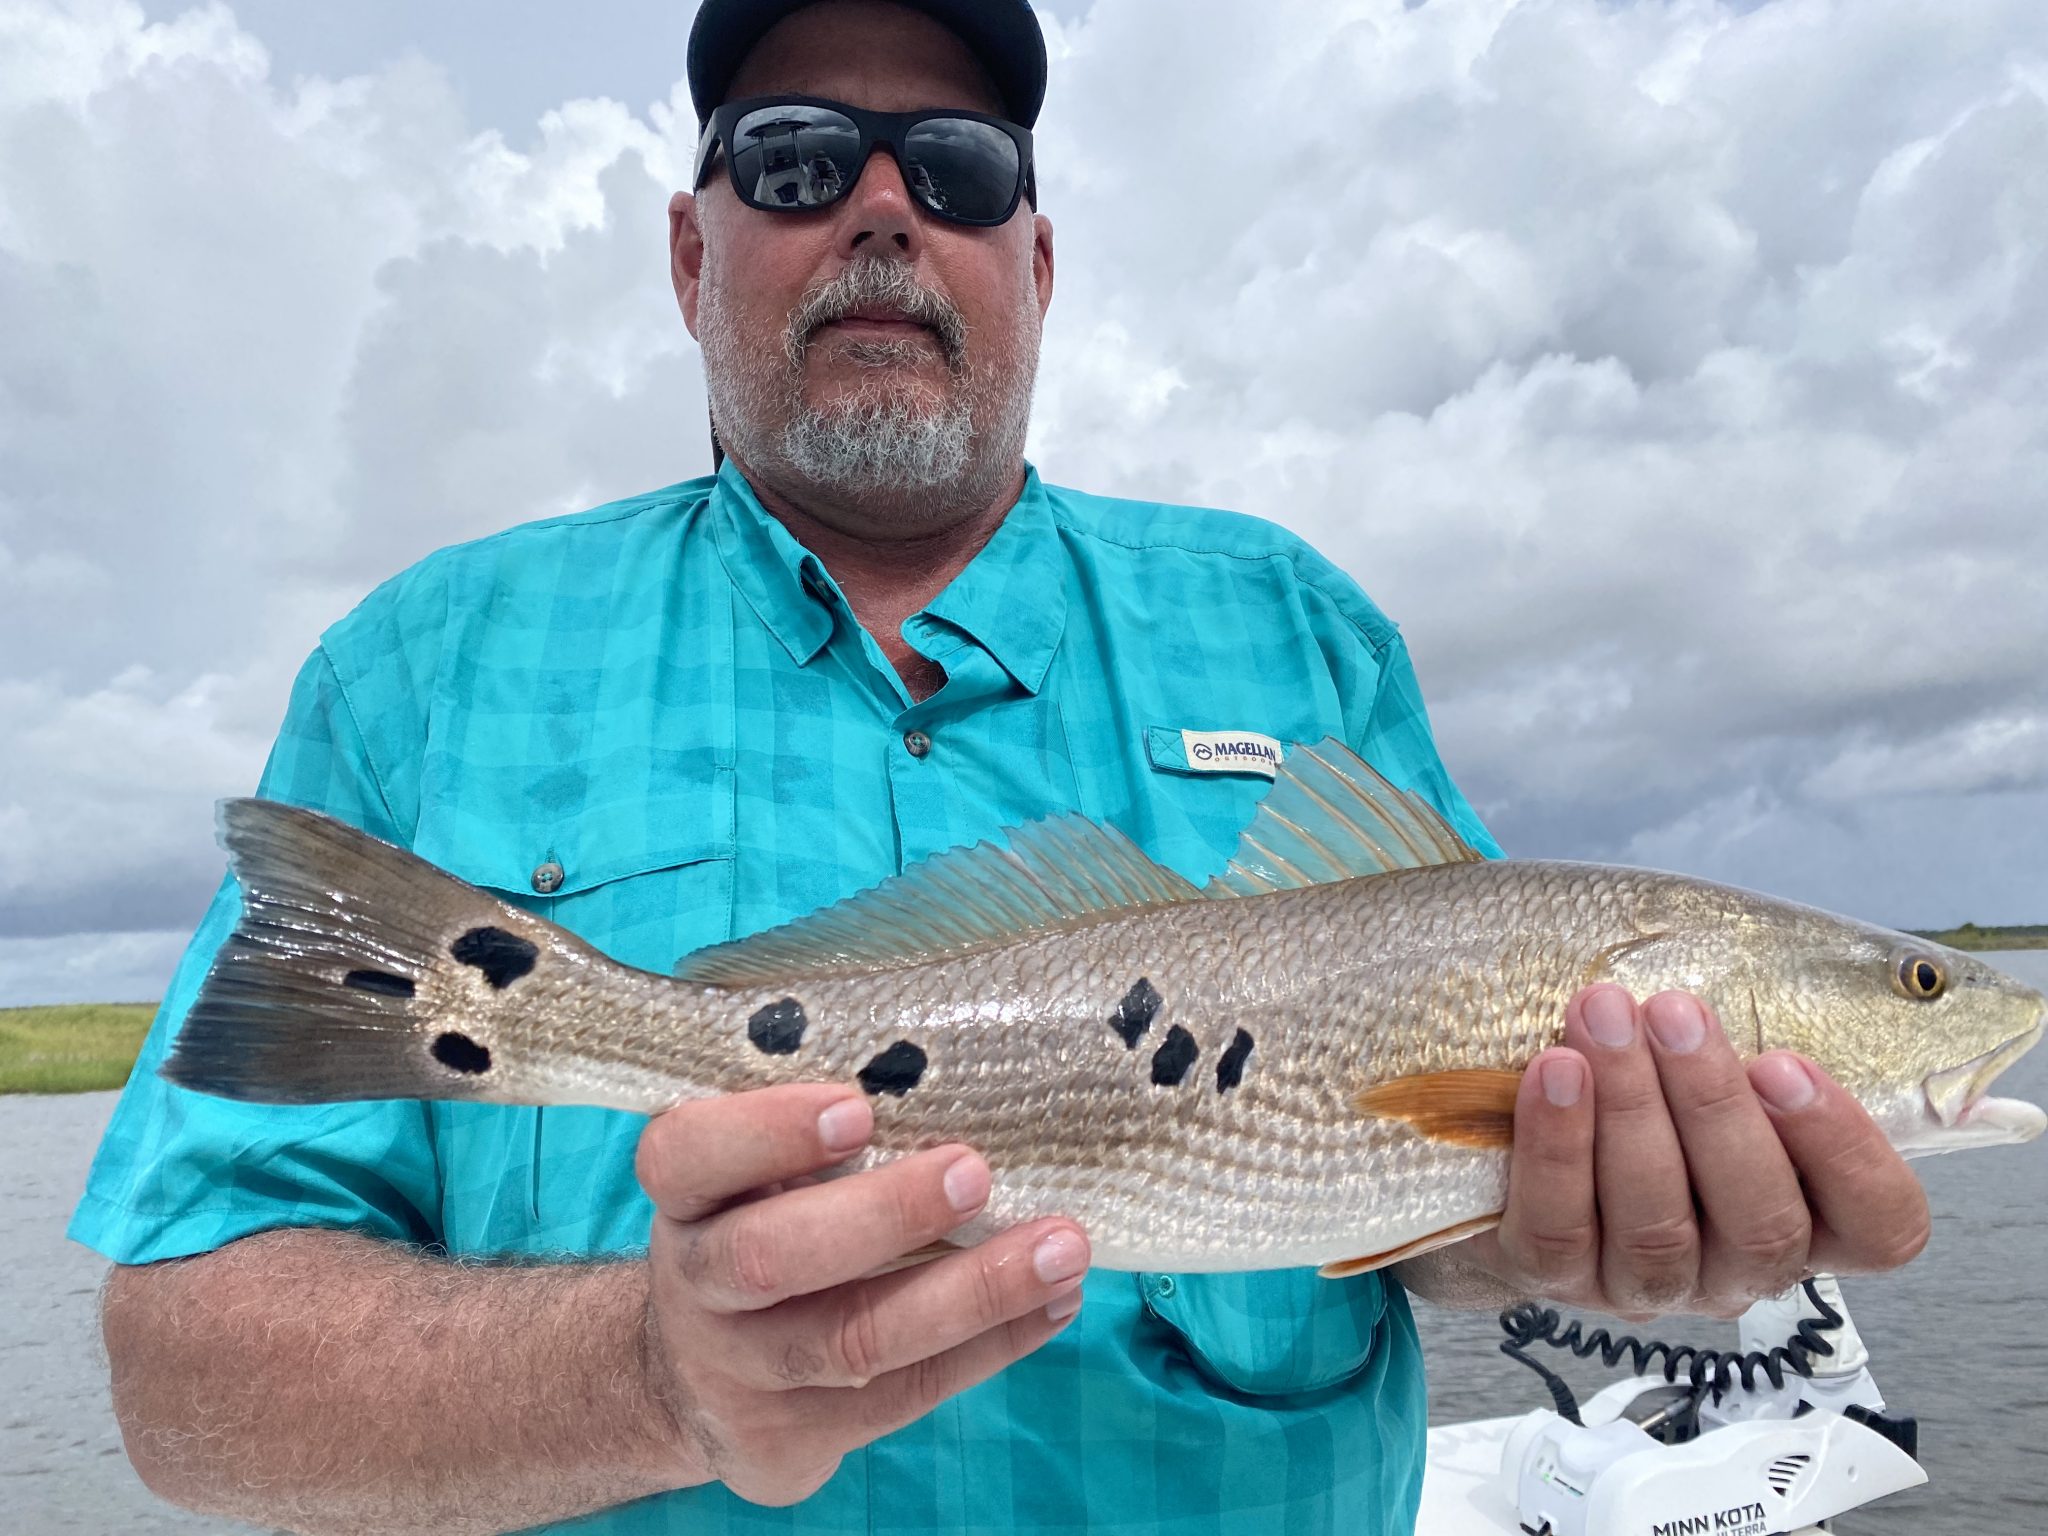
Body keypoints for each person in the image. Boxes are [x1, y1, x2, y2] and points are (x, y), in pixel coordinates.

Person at [72, 2, 1932, 1533]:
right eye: (796, 157)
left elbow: (1419, 1235)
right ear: (689, 250)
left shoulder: (1301, 634)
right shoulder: (421, 672)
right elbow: (188, 1385)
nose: (885, 207)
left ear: (1035, 262)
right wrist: (649, 1375)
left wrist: (1575, 1224)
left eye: (959, 168)